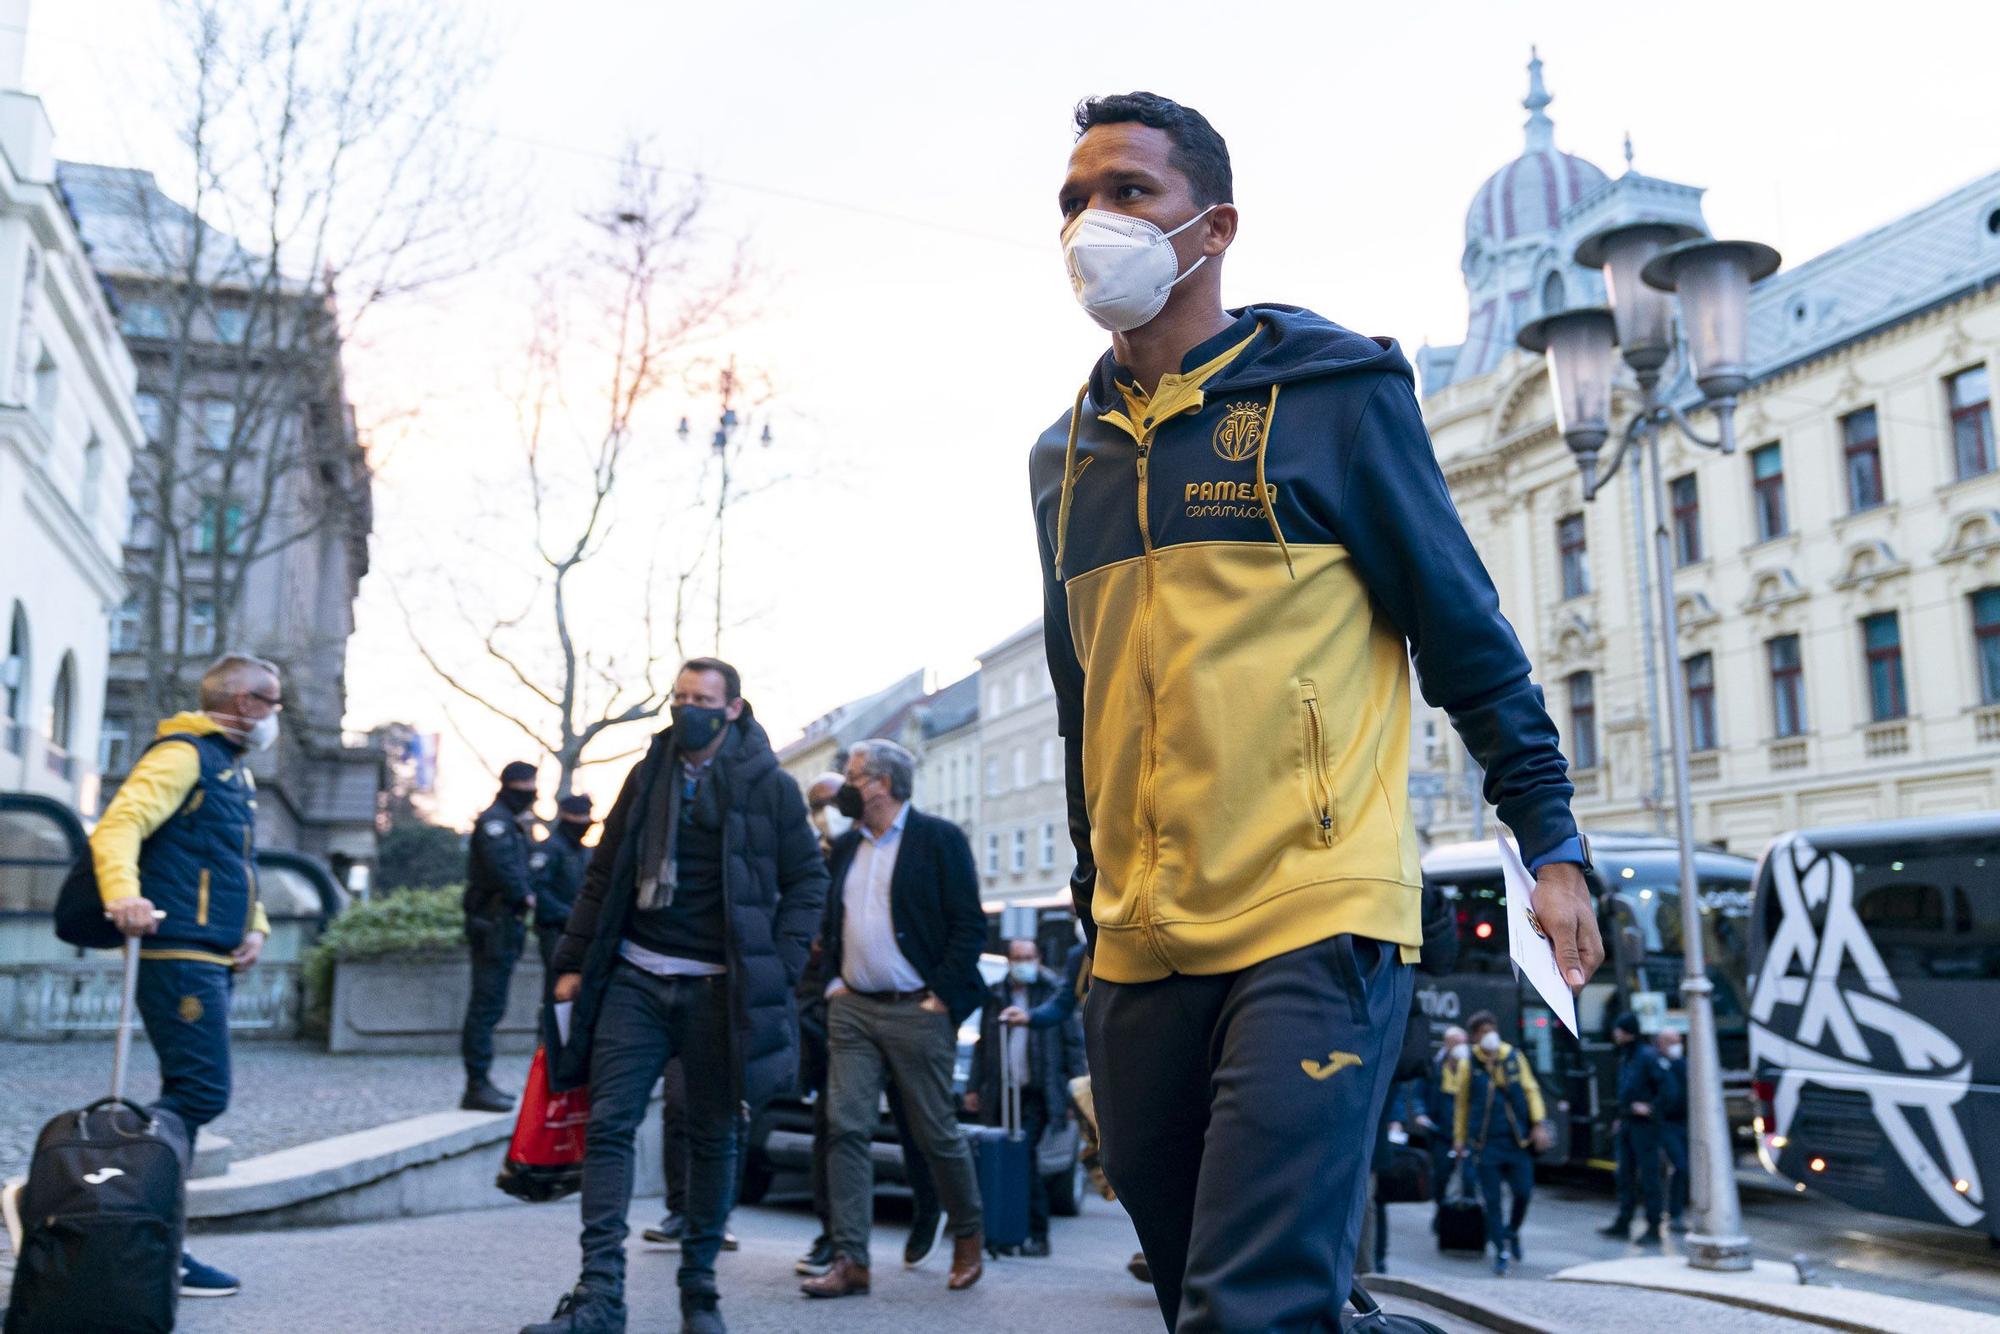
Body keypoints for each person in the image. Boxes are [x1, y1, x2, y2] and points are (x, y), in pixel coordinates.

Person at [1031, 89, 1602, 1332]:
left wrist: (1549, 845)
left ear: (1213, 225)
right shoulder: (1062, 456)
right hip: (1136, 938)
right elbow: (1081, 702)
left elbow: (1465, 635)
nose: (1090, 222)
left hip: (1314, 907)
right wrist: (1090, 902)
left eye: (1127, 192)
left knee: (1248, 1309)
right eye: (1073, 200)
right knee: (1207, 1296)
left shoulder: (1335, 397)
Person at [524, 658, 826, 1334]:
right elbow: (602, 876)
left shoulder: (771, 787)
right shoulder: (646, 775)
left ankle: (700, 1293)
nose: (687, 707)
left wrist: (773, 966)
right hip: (634, 977)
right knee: (608, 1127)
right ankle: (599, 1297)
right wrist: (571, 962)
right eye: (680, 695)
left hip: (720, 991)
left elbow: (808, 881)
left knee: (715, 1136)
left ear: (733, 709)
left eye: (702, 698)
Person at [88, 652, 281, 1299]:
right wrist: (124, 895)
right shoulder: (184, 754)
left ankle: (159, 1242)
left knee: (189, 1092)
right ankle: (127, 1214)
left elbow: (232, 861)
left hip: (212, 951)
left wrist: (254, 923)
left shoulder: (232, 770)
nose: (276, 714)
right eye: (272, 700)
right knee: (199, 1094)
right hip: (177, 950)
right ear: (245, 702)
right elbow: (119, 825)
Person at [800, 740, 989, 1299]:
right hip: (853, 1008)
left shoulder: (939, 840)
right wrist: (835, 981)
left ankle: (969, 1234)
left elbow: (968, 928)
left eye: (852, 776)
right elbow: (832, 919)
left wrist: (942, 997)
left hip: (917, 1010)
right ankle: (850, 1259)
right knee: (845, 1128)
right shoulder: (845, 848)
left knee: (936, 1132)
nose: (845, 784)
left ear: (881, 784)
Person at [967, 938, 1087, 1257]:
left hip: (1038, 1091)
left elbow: (1073, 1045)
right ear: (1008, 960)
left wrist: (1076, 1095)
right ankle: (1002, 1232)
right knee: (1001, 1159)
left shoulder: (1053, 991)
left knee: (1026, 1160)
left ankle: (1036, 1233)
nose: (1024, 962)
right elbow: (984, 1043)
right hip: (1003, 1091)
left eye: (1030, 956)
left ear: (1039, 958)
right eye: (1019, 957)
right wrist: (973, 1087)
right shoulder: (996, 995)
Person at [461, 759, 540, 1113]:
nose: (532, 794)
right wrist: (525, 893)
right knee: (486, 1005)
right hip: (492, 924)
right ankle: (477, 1084)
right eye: (528, 787)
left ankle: (481, 1082)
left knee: (491, 1004)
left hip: (503, 924)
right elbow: (503, 868)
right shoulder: (496, 823)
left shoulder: (509, 823)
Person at [1448, 1012, 1551, 1274]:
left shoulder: (1513, 1057)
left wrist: (1539, 1122)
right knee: (1491, 1200)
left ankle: (1512, 1231)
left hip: (1517, 1141)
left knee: (1523, 1192)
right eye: (1481, 1031)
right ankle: (1500, 1249)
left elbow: (1531, 1090)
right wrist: (1459, 1139)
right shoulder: (1468, 1063)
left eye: (1490, 1029)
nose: (1487, 1034)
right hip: (1486, 1143)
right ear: (1474, 1037)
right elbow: (1461, 1104)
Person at [1598, 1013, 1671, 1246]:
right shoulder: (1628, 1056)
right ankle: (1624, 1220)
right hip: (1629, 1122)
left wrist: (1650, 1108)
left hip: (1644, 1126)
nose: (1615, 1034)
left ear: (1627, 1031)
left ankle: (1653, 1227)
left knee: (1649, 1176)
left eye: (1619, 1030)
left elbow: (1668, 1090)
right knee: (1625, 1174)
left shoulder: (1645, 1057)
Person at [535, 794, 595, 975]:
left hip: (578, 929)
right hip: (556, 928)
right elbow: (539, 889)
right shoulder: (550, 848)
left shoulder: (584, 851)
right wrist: (568, 914)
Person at [1655, 1030, 1690, 1233]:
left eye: (1679, 1041)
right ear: (1661, 1043)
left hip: (1683, 1123)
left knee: (1683, 1167)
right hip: (1665, 1124)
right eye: (1672, 1042)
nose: (1677, 1045)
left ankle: (1674, 1211)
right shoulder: (1656, 1063)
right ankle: (1673, 1213)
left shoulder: (1682, 1064)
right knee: (1680, 1166)